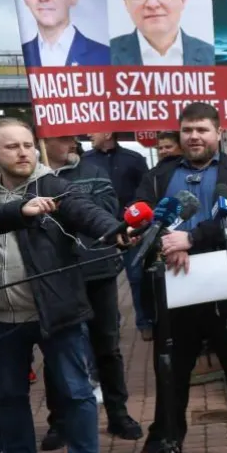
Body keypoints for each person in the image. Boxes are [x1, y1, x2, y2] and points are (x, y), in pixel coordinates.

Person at [121, 102, 227, 453]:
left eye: (203, 129)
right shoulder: (159, 176)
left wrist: (190, 239)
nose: (194, 136)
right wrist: (163, 243)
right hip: (175, 287)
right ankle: (163, 441)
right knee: (171, 370)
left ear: (218, 133)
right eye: (188, 129)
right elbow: (143, 219)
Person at [0, 118, 124, 453]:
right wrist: (19, 211)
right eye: (12, 146)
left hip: (58, 313)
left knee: (76, 392)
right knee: (8, 396)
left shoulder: (56, 185)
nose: (23, 152)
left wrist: (116, 230)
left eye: (28, 144)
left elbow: (85, 212)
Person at [39, 135, 143, 449]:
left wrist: (64, 205)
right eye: (62, 138)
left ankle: (117, 413)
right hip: (57, 277)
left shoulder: (94, 171)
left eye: (73, 137)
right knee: (57, 350)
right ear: (43, 140)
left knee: (106, 346)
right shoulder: (35, 179)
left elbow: (106, 212)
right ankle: (59, 421)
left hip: (98, 271)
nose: (71, 143)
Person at [81, 132, 152, 339]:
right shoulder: (86, 161)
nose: (88, 135)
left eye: (93, 131)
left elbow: (144, 191)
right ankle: (111, 324)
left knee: (137, 275)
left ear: (107, 133)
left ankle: (144, 321)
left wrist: (133, 214)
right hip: (100, 229)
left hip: (130, 227)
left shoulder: (134, 159)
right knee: (104, 279)